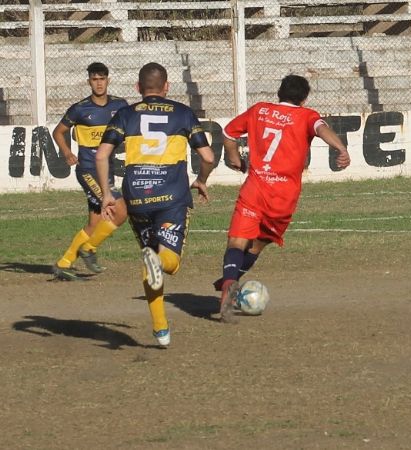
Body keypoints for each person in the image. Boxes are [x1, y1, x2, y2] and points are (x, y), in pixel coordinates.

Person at [95, 62, 216, 347]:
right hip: (172, 195)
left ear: (138, 88)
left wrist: (106, 194)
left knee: (149, 258)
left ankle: (161, 329)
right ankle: (159, 263)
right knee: (168, 263)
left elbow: (102, 156)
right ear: (167, 87)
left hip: (136, 196)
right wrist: (201, 179)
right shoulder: (183, 113)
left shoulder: (124, 114)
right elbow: (208, 157)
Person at [215, 74, 350, 323]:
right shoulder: (307, 115)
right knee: (258, 244)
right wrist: (341, 148)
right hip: (283, 197)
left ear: (279, 92)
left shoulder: (259, 110)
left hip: (255, 188)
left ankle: (229, 280)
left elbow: (228, 133)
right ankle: (232, 277)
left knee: (237, 242)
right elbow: (322, 130)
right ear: (304, 98)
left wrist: (234, 156)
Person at [52, 62, 129, 281]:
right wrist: (67, 152)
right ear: (89, 82)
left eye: (102, 78)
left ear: (108, 80)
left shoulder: (120, 106)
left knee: (95, 223)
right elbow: (58, 132)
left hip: (107, 170)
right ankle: (90, 249)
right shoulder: (80, 109)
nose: (99, 83)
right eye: (94, 79)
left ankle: (63, 263)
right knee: (119, 208)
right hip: (87, 170)